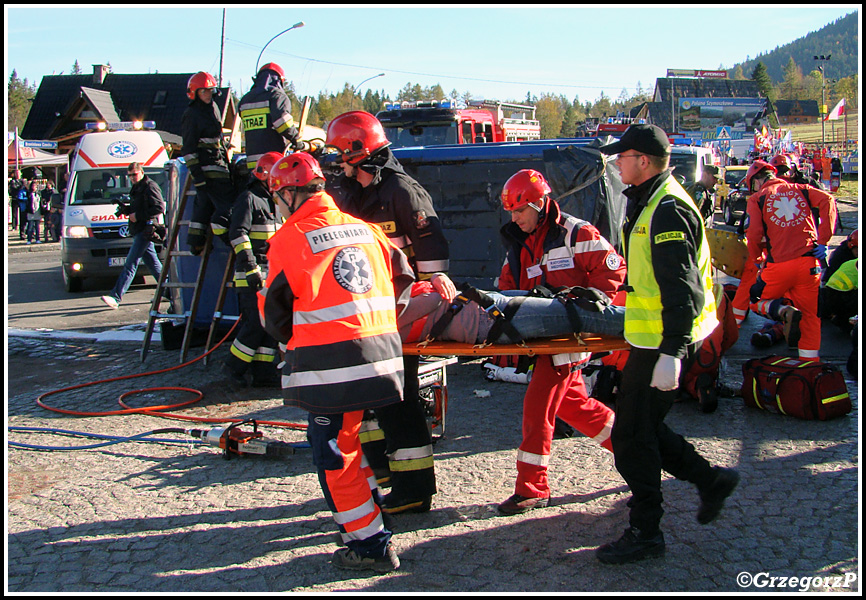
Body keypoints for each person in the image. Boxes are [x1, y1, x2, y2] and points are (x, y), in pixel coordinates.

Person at [259, 152, 415, 573]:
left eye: (277, 197)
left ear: (290, 195)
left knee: (334, 454)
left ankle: (369, 546)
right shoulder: (364, 229)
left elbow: (274, 316)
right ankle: (368, 521)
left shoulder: (290, 239)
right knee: (348, 442)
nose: (276, 205)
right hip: (382, 356)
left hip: (333, 365)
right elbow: (403, 277)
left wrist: (303, 337)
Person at [596, 124, 738, 565]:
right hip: (653, 339)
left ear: (643, 161)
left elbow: (684, 290)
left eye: (622, 157)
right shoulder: (651, 200)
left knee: (631, 437)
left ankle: (646, 531)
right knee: (643, 429)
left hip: (665, 341)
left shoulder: (666, 208)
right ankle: (710, 480)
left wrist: (673, 353)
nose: (617, 163)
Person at [325, 110, 449, 514]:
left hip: (399, 312)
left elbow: (432, 257)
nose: (337, 162)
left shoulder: (401, 191)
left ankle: (413, 489)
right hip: (364, 311)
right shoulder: (348, 191)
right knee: (370, 397)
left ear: (360, 151)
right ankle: (382, 478)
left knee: (399, 397)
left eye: (341, 154)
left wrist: (424, 298)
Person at [495, 168, 626, 515]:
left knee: (537, 406)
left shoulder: (576, 232)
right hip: (544, 337)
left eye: (519, 211)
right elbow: (509, 287)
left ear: (539, 204)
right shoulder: (520, 241)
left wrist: (586, 305)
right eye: (511, 212)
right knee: (575, 407)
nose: (515, 217)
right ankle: (637, 451)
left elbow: (612, 271)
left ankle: (532, 488)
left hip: (569, 336)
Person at [744, 159, 837, 359]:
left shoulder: (758, 199)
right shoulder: (801, 189)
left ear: (757, 181)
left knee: (755, 300)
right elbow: (828, 200)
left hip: (779, 266)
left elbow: (752, 235)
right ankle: (809, 366)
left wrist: (757, 259)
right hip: (809, 265)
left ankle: (783, 311)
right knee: (810, 318)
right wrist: (823, 241)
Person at [399, 274, 625, 345]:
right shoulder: (385, 317)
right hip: (490, 321)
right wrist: (434, 281)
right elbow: (433, 300)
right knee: (577, 312)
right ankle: (650, 325)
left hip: (486, 306)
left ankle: (643, 321)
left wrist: (434, 278)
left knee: (560, 300)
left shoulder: (388, 305)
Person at [223, 152, 282, 388]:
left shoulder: (273, 201)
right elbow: (237, 234)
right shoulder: (249, 198)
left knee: (270, 325)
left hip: (271, 274)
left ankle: (264, 373)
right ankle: (233, 368)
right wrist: (250, 267)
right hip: (251, 275)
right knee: (255, 324)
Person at [181, 71, 234, 255]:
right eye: (204, 91)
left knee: (203, 205)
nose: (208, 95)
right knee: (226, 208)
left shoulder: (214, 109)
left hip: (219, 165)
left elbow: (215, 138)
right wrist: (198, 176)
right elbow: (188, 150)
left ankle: (196, 242)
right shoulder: (192, 114)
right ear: (194, 93)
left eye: (210, 91)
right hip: (207, 169)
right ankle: (232, 240)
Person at [100, 163, 165, 309]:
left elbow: (159, 207)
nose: (132, 178)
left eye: (134, 174)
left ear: (141, 172)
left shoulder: (150, 186)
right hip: (139, 229)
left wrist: (138, 215)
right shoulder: (138, 187)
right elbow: (139, 207)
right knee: (154, 264)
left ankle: (116, 296)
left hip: (145, 230)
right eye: (129, 175)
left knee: (131, 263)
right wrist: (126, 209)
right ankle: (169, 291)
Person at [238, 62, 301, 171]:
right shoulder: (277, 96)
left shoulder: (244, 100)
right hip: (273, 163)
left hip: (253, 164)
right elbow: (282, 122)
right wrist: (297, 140)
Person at [8, 169, 27, 235]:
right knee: (14, 213)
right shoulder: (13, 181)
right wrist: (21, 186)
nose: (17, 175)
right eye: (16, 173)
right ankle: (14, 225)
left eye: (18, 173)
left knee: (22, 213)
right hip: (15, 199)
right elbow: (13, 188)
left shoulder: (23, 180)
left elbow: (26, 188)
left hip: (22, 199)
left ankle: (22, 226)